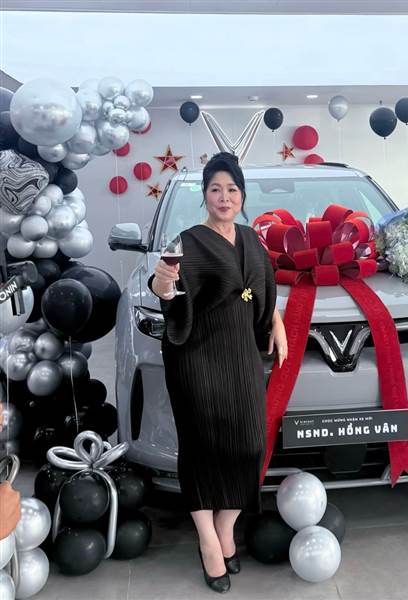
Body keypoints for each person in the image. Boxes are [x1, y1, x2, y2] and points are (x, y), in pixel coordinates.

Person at [150, 152, 287, 594]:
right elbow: (167, 289)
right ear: (204, 195)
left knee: (249, 445)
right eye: (215, 189)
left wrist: (277, 323)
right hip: (196, 358)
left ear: (242, 195)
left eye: (231, 189)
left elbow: (265, 289)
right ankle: (210, 542)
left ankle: (226, 527)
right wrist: (164, 282)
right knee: (203, 449)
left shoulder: (250, 239)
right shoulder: (189, 241)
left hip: (241, 356)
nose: (224, 197)